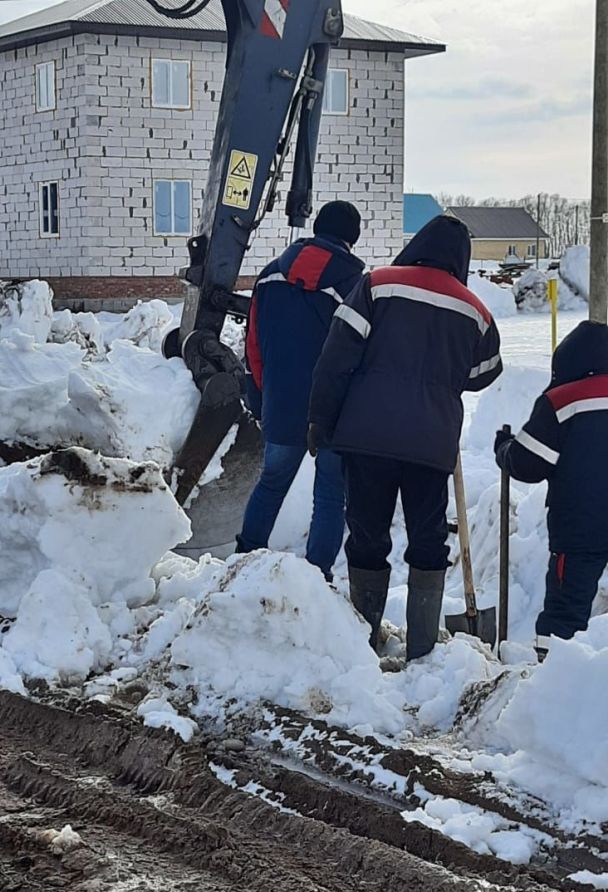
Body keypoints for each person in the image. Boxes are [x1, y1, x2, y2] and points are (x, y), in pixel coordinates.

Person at [309, 215, 502, 660]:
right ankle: (422, 649)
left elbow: (336, 355)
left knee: (368, 533)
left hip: (368, 435)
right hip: (430, 445)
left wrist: (321, 418)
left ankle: (364, 638)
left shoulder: (377, 285)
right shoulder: (475, 309)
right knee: (428, 537)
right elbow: (483, 374)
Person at [237, 200, 364, 580]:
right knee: (329, 494)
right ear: (351, 237)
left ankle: (243, 562)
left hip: (281, 403)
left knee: (272, 482)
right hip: (333, 413)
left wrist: (262, 396)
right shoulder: (353, 285)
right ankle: (316, 579)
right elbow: (358, 354)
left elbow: (253, 345)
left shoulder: (270, 276)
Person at [495, 320, 608, 661]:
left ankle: (551, 682)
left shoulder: (561, 401)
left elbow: (527, 465)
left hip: (579, 529)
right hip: (581, 527)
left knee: (565, 613)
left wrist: (504, 448)